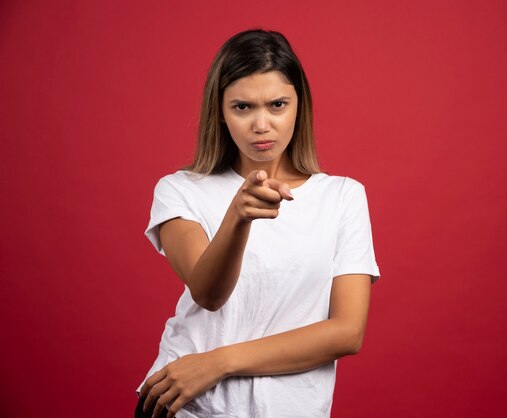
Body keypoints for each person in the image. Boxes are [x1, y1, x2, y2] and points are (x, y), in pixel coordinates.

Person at [136, 29, 380, 418]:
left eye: (277, 105)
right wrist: (238, 216)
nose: (261, 124)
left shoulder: (342, 196)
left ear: (300, 106)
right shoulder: (180, 190)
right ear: (220, 111)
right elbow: (209, 294)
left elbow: (347, 332)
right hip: (187, 406)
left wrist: (217, 363)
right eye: (243, 107)